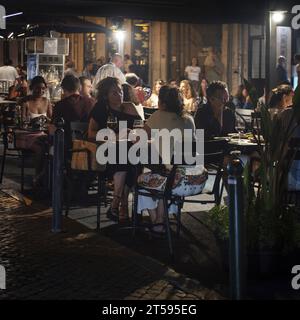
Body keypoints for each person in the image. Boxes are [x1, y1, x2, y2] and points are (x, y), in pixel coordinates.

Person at [137, 85, 208, 235]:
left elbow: (139, 138)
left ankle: (157, 220)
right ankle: (160, 220)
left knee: (142, 178)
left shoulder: (158, 115)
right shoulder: (189, 119)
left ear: (162, 102)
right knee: (167, 171)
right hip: (194, 178)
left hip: (173, 180)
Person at [88, 77, 141, 222]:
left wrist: (135, 134)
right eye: (114, 93)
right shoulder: (101, 107)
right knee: (125, 155)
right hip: (104, 151)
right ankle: (119, 204)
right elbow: (91, 132)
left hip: (127, 150)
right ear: (105, 95)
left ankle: (118, 205)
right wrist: (114, 136)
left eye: (120, 91)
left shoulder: (129, 107)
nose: (119, 95)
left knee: (131, 157)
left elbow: (141, 129)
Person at [19, 76, 52, 188]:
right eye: (37, 88)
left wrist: (47, 120)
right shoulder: (26, 102)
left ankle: (44, 175)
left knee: (51, 146)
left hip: (43, 134)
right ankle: (38, 176)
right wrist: (32, 121)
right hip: (28, 135)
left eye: (43, 89)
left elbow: (52, 121)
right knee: (40, 148)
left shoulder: (47, 102)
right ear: (32, 88)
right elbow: (21, 123)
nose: (40, 91)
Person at [52, 75, 95, 154]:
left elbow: (54, 128)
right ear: (79, 88)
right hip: (90, 147)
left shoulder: (59, 105)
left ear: (63, 89)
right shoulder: (92, 102)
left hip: (67, 148)